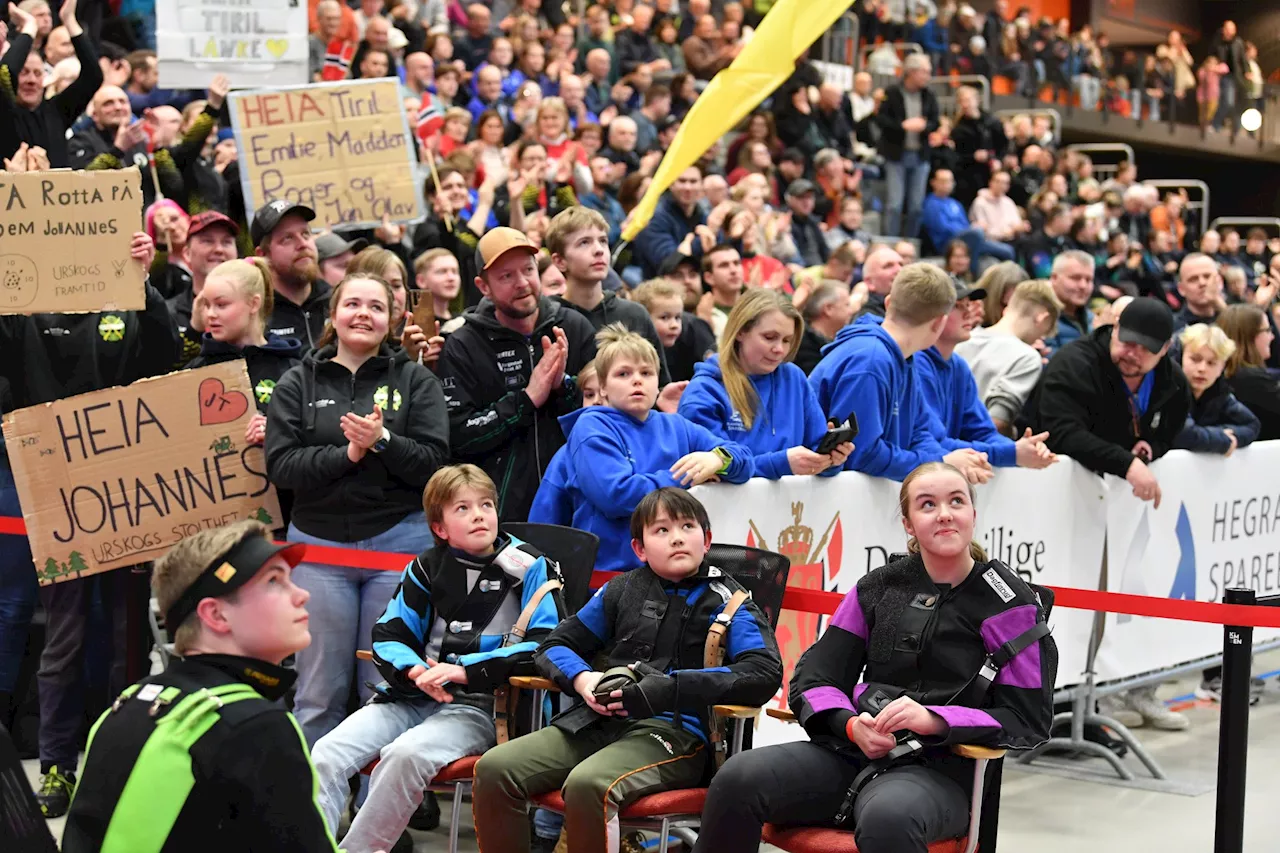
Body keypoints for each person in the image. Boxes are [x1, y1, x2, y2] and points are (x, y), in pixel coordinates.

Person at [692, 461, 1056, 853]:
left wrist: (934, 719)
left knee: (889, 818)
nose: (945, 514)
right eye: (928, 505)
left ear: (973, 513)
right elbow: (814, 678)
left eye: (956, 501)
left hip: (940, 771)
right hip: (849, 753)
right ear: (908, 523)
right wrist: (850, 726)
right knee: (737, 778)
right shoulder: (879, 587)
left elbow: (1026, 718)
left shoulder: (1012, 606)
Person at [472, 487, 782, 853]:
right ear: (639, 548)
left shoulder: (732, 603)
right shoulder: (620, 590)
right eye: (662, 530)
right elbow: (553, 646)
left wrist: (670, 687)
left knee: (590, 785)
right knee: (493, 769)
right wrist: (583, 679)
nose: (677, 537)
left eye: (687, 526)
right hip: (594, 720)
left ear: (707, 539)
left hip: (677, 733)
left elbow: (762, 673)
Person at [0, 232, 175, 818]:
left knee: (128, 639)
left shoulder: (126, 300)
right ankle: (55, 768)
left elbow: (166, 357)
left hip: (124, 492)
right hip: (55, 493)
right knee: (66, 639)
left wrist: (145, 283)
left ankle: (116, 766)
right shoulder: (26, 312)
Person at [310, 464, 565, 853]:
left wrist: (464, 671)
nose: (479, 514)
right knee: (325, 753)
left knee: (404, 755)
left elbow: (547, 645)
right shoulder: (426, 566)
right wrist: (413, 669)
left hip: (484, 707)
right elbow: (389, 633)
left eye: (485, 505)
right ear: (440, 527)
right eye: (462, 508)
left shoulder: (532, 566)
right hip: (413, 694)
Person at [60, 521, 340, 852]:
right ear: (216, 615)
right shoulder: (255, 726)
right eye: (275, 581)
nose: (301, 594)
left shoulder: (129, 701)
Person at [264, 272, 449, 746]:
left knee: (384, 688)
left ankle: (375, 813)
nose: (363, 314)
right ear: (333, 315)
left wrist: (382, 441)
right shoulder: (296, 382)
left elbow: (434, 465)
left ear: (391, 321)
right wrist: (346, 456)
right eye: (352, 304)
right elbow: (281, 466)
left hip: (399, 544)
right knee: (318, 691)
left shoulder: (416, 381)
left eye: (375, 306)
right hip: (320, 549)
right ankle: (310, 813)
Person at [555, 325, 753, 572]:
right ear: (603, 388)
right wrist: (687, 475)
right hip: (611, 575)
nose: (637, 380)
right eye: (623, 374)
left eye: (646, 373)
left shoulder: (675, 424)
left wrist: (717, 460)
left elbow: (745, 459)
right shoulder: (591, 426)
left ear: (658, 382)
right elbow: (617, 496)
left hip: (677, 573)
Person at [434, 228, 597, 523]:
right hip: (500, 512)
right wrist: (526, 400)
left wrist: (564, 388)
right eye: (506, 276)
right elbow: (458, 436)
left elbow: (603, 417)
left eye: (528, 270)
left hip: (579, 502)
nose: (522, 283)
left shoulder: (574, 325)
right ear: (483, 286)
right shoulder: (463, 344)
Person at [809, 263, 992, 484]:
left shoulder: (904, 356)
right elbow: (863, 454)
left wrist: (942, 461)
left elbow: (920, 432)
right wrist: (940, 462)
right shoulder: (870, 361)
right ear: (939, 323)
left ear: (888, 303)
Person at [679, 289, 854, 479]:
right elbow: (716, 466)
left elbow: (815, 450)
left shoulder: (794, 377)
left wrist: (831, 460)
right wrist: (782, 464)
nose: (779, 349)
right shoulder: (705, 390)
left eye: (787, 340)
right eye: (769, 337)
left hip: (792, 506)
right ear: (741, 332)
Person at [915, 280, 1056, 471]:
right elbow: (933, 443)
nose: (968, 312)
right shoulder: (917, 363)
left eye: (968, 305)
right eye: (957, 306)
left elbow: (983, 431)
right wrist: (1012, 453)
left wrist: (1021, 448)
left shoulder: (958, 366)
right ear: (934, 315)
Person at [546, 207, 674, 389]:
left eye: (603, 241)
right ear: (560, 261)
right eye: (584, 243)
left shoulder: (634, 314)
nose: (598, 250)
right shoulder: (549, 318)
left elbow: (659, 384)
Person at [1, 0, 102, 169]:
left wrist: (69, 21)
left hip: (58, 194)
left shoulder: (57, 110)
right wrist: (30, 27)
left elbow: (93, 76)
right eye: (24, 72)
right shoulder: (4, 109)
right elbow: (6, 72)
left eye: (37, 73)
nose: (31, 80)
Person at [956, 279, 1061, 435]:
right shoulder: (1027, 357)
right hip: (983, 450)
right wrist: (1014, 435)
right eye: (1044, 332)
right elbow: (997, 423)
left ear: (1007, 310)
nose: (1040, 339)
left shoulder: (962, 339)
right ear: (1042, 318)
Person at [528, 361, 602, 527]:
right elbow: (543, 523)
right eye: (589, 395)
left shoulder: (651, 439)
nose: (597, 402)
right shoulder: (568, 454)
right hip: (589, 551)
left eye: (606, 395)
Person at [876, 53, 941, 238]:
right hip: (896, 153)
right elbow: (881, 119)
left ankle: (911, 243)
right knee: (894, 204)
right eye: (924, 72)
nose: (927, 76)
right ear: (911, 72)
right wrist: (902, 127)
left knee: (916, 206)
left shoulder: (929, 95)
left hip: (920, 155)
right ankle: (891, 240)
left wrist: (924, 126)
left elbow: (935, 121)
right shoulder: (892, 92)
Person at [253, 201, 332, 350]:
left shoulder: (336, 302)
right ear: (263, 255)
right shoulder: (255, 315)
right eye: (287, 238)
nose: (303, 244)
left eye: (306, 234)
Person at [168, 211, 242, 365]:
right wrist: (194, 330)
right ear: (187, 254)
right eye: (208, 241)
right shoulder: (168, 314)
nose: (219, 249)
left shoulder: (256, 307)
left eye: (227, 242)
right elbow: (165, 377)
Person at [1173, 324, 1259, 456]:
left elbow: (1252, 425)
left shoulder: (1220, 392)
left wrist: (1218, 433)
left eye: (1211, 363)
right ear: (1181, 358)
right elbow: (1183, 434)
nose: (1202, 368)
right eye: (1195, 359)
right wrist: (1222, 439)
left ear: (1221, 368)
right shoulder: (1169, 388)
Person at [920, 168, 1015, 263]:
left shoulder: (955, 203)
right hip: (947, 243)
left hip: (965, 239)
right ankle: (972, 272)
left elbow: (965, 224)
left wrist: (971, 228)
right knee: (977, 233)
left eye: (950, 181)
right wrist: (970, 229)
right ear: (933, 182)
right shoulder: (931, 203)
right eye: (943, 181)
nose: (947, 184)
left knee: (1007, 250)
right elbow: (942, 228)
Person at [1218, 304, 1280, 441]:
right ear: (1250, 335)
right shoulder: (1251, 380)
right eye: (1267, 330)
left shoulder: (1228, 374)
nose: (1272, 336)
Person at [1040, 251, 1095, 355]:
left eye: (1089, 280)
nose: (1083, 286)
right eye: (1075, 278)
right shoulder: (1040, 318)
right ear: (1054, 278)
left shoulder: (1092, 319)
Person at [796, 280, 855, 375]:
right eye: (847, 305)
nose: (851, 311)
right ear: (828, 309)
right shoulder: (802, 342)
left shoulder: (842, 340)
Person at [1173, 253, 1224, 331]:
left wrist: (1220, 305)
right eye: (1193, 279)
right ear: (1181, 289)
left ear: (1220, 281)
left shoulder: (1234, 315)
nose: (1202, 283)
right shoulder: (1175, 328)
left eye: (1207, 276)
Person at [855, 246, 905, 320]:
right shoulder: (866, 321)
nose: (899, 270)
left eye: (901, 264)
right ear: (870, 282)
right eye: (888, 266)